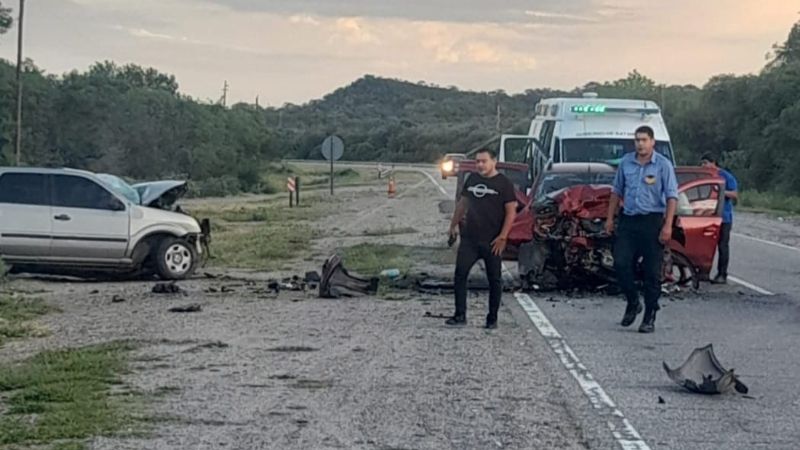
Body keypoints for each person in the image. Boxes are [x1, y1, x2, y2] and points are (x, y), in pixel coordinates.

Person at [605, 126, 678, 333]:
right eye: (637, 140)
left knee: (651, 272)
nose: (640, 144)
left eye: (644, 140)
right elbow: (616, 191)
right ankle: (633, 301)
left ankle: (649, 316)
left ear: (652, 142)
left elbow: (672, 196)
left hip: (652, 221)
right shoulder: (626, 162)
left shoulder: (663, 165)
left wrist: (667, 225)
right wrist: (609, 219)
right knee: (620, 263)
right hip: (629, 220)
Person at [447, 148, 517, 329]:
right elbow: (463, 204)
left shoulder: (504, 184)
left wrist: (503, 236)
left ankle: (492, 318)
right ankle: (459, 314)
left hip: (492, 240)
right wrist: (453, 225)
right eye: (477, 161)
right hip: (470, 239)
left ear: (494, 162)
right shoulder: (472, 180)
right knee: (460, 275)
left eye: (483, 161)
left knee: (494, 279)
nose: (480, 164)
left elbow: (511, 212)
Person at [700, 154, 738, 284]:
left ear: (713, 162)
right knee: (705, 246)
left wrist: (721, 190)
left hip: (724, 217)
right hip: (707, 216)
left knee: (722, 246)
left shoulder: (726, 176)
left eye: (705, 163)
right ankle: (703, 272)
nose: (703, 166)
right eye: (702, 163)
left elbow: (734, 194)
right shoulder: (704, 176)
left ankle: (722, 274)